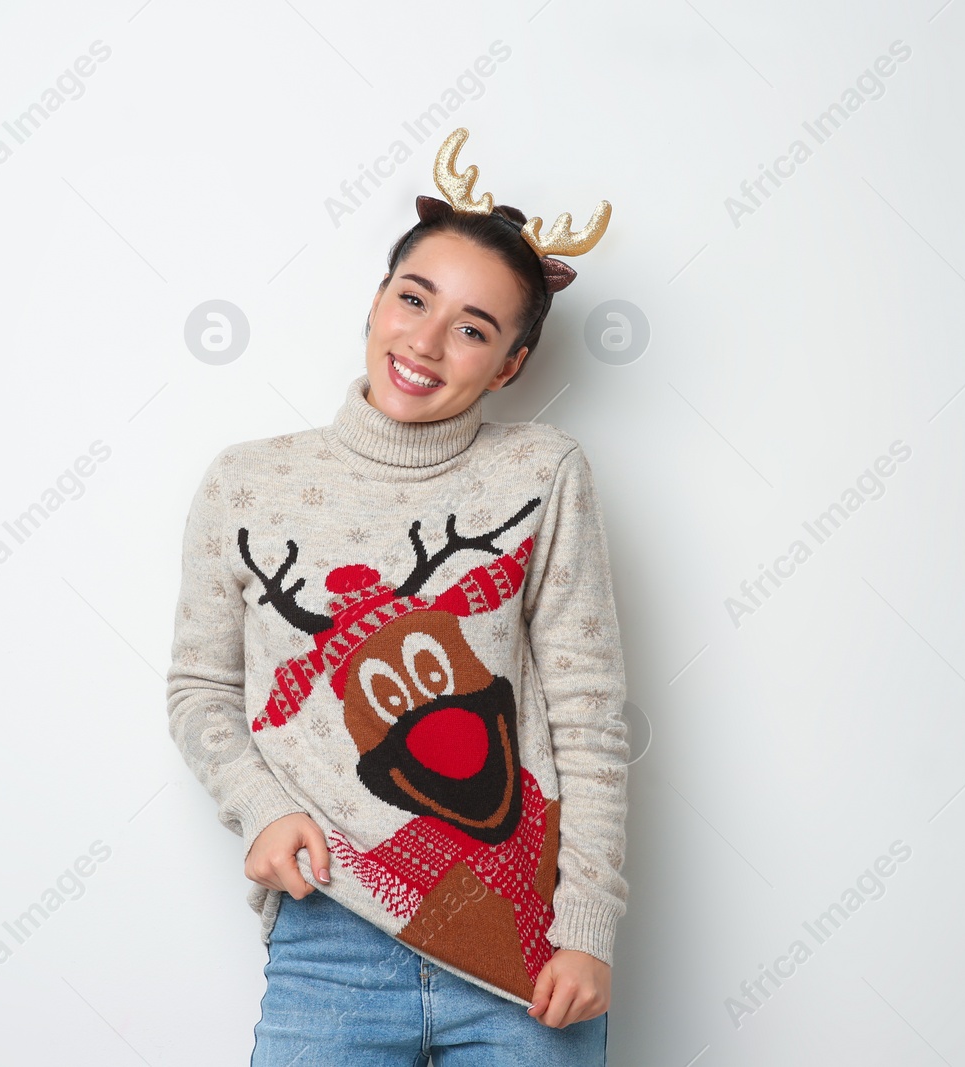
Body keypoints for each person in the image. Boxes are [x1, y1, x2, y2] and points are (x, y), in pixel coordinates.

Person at [166, 128, 629, 1066]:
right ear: (377, 300)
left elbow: (589, 714)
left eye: (473, 327)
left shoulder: (544, 473)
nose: (425, 341)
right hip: (329, 937)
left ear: (510, 364)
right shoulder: (247, 484)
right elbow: (199, 688)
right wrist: (259, 805)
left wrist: (588, 923)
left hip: (528, 952)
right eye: (413, 298)